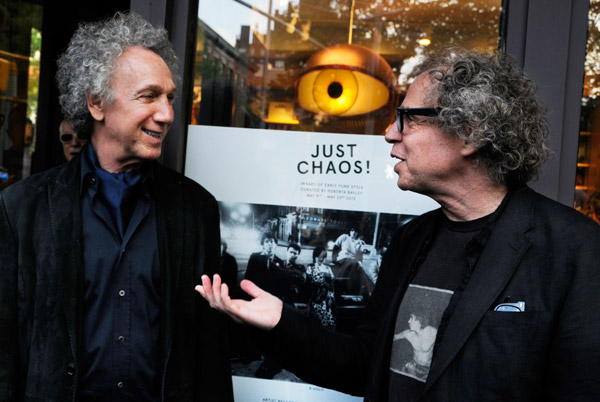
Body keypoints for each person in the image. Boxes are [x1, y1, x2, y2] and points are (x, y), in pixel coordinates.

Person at [196, 46, 600, 401]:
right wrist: (281, 322)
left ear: (469, 133)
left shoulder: (575, 251)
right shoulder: (412, 239)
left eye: (408, 118)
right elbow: (362, 367)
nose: (391, 134)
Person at [0, 12, 233, 401]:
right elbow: (5, 351)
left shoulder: (196, 209)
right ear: (96, 102)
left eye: (170, 98)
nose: (168, 114)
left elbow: (208, 351)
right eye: (149, 96)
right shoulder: (21, 209)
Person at [305, 246, 336, 329]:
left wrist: (331, 297)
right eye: (320, 257)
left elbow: (332, 284)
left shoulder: (328, 268)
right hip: (316, 299)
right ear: (315, 256)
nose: (322, 260)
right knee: (318, 324)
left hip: (328, 299)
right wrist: (324, 281)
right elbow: (310, 283)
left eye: (324, 257)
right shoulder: (310, 268)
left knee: (331, 324)